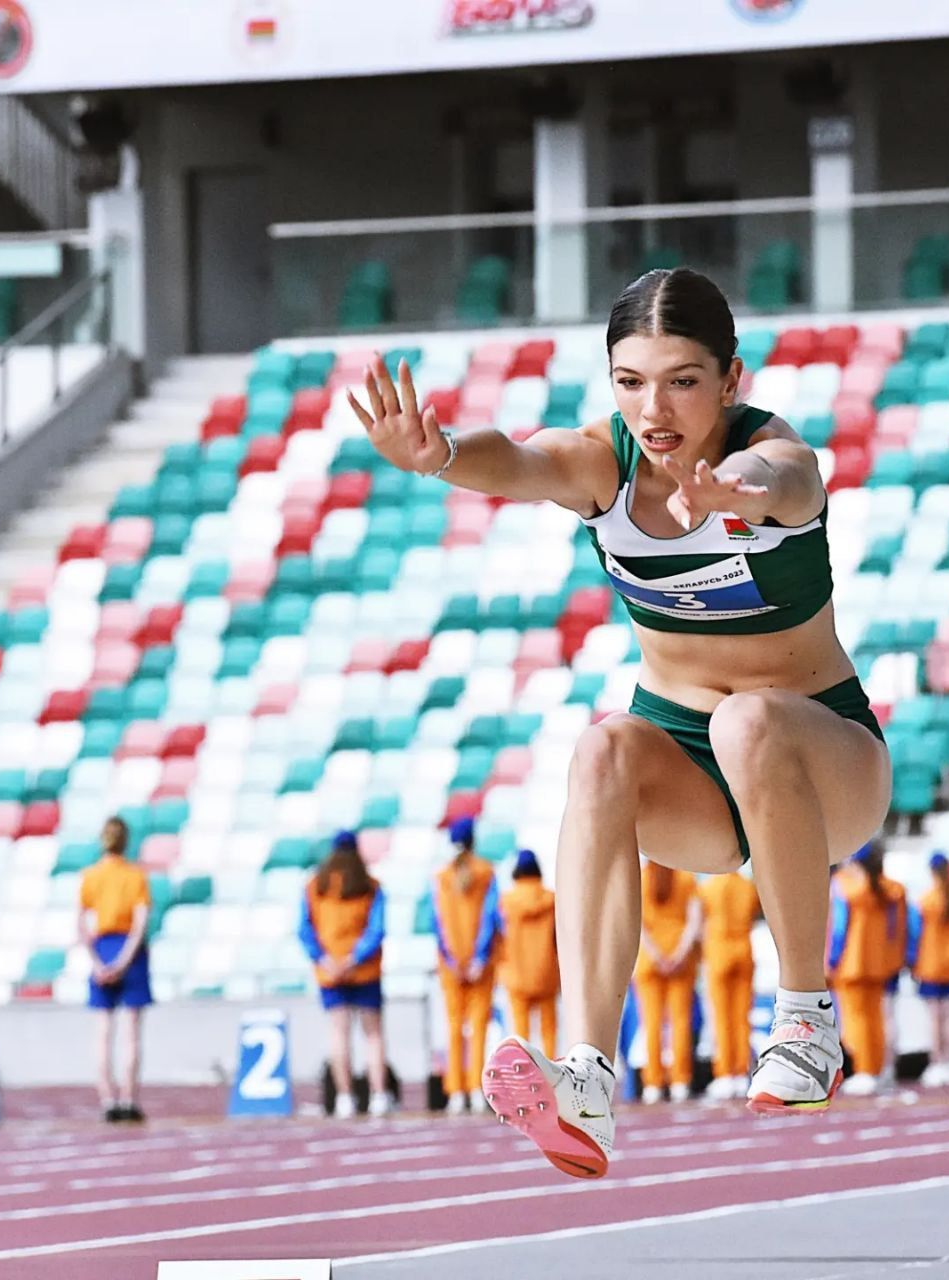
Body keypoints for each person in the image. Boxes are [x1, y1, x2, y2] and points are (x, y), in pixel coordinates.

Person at [349, 266, 890, 1178]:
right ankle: (589, 1079)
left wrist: (740, 497)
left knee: (749, 722)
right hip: (690, 779)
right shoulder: (606, 463)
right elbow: (520, 461)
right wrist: (437, 455)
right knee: (600, 746)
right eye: (631, 381)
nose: (655, 407)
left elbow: (789, 484)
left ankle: (806, 1020)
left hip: (818, 761)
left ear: (731, 380)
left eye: (682, 380)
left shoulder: (774, 452)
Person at [298, 830, 390, 1118]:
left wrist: (325, 959)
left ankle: (345, 1097)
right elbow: (377, 929)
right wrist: (354, 959)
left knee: (338, 1033)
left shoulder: (316, 886)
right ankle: (378, 1095)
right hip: (364, 970)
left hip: (330, 971)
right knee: (372, 1034)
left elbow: (305, 929)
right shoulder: (370, 885)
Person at [78, 817, 152, 1122]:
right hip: (128, 952)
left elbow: (81, 923)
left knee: (103, 1032)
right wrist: (123, 961)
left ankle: (107, 1099)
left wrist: (98, 962)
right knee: (131, 1033)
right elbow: (140, 923)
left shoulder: (91, 877)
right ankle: (129, 1098)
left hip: (102, 947)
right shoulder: (135, 877)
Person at [828, 843, 908, 1097]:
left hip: (851, 963)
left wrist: (831, 959)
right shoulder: (892, 889)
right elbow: (898, 929)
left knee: (855, 1020)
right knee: (876, 1020)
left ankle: (863, 1070)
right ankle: (875, 1068)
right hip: (880, 962)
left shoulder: (844, 886)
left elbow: (839, 928)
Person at [432, 817, 500, 1115]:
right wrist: (479, 957)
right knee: (479, 1028)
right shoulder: (486, 873)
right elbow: (490, 918)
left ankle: (455, 1090)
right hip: (478, 964)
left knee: (454, 1028)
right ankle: (475, 1088)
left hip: (451, 964)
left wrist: (450, 959)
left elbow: (438, 922)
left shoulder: (442, 876)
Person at [634, 862, 703, 1103]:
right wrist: (679, 954)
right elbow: (694, 922)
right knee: (680, 1022)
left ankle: (652, 1083)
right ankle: (680, 1082)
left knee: (651, 1024)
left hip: (649, 963)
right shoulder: (686, 877)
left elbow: (637, 925)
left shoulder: (639, 878)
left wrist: (656, 955)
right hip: (680, 962)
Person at [698, 867, 761, 1100]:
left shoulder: (708, 887)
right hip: (743, 949)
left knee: (722, 1017)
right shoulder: (746, 886)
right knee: (743, 1017)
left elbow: (701, 918)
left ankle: (725, 1073)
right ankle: (742, 1071)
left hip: (718, 951)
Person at [913, 851, 949, 1087]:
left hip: (931, 965)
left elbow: (916, 936)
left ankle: (937, 1063)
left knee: (935, 1019)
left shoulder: (926, 901)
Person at [499, 849, 560, 1060]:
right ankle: (552, 1074)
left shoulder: (507, 901)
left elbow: (499, 937)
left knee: (521, 1032)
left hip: (517, 974)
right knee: (549, 1029)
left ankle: (523, 1075)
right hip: (547, 972)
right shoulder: (551, 899)